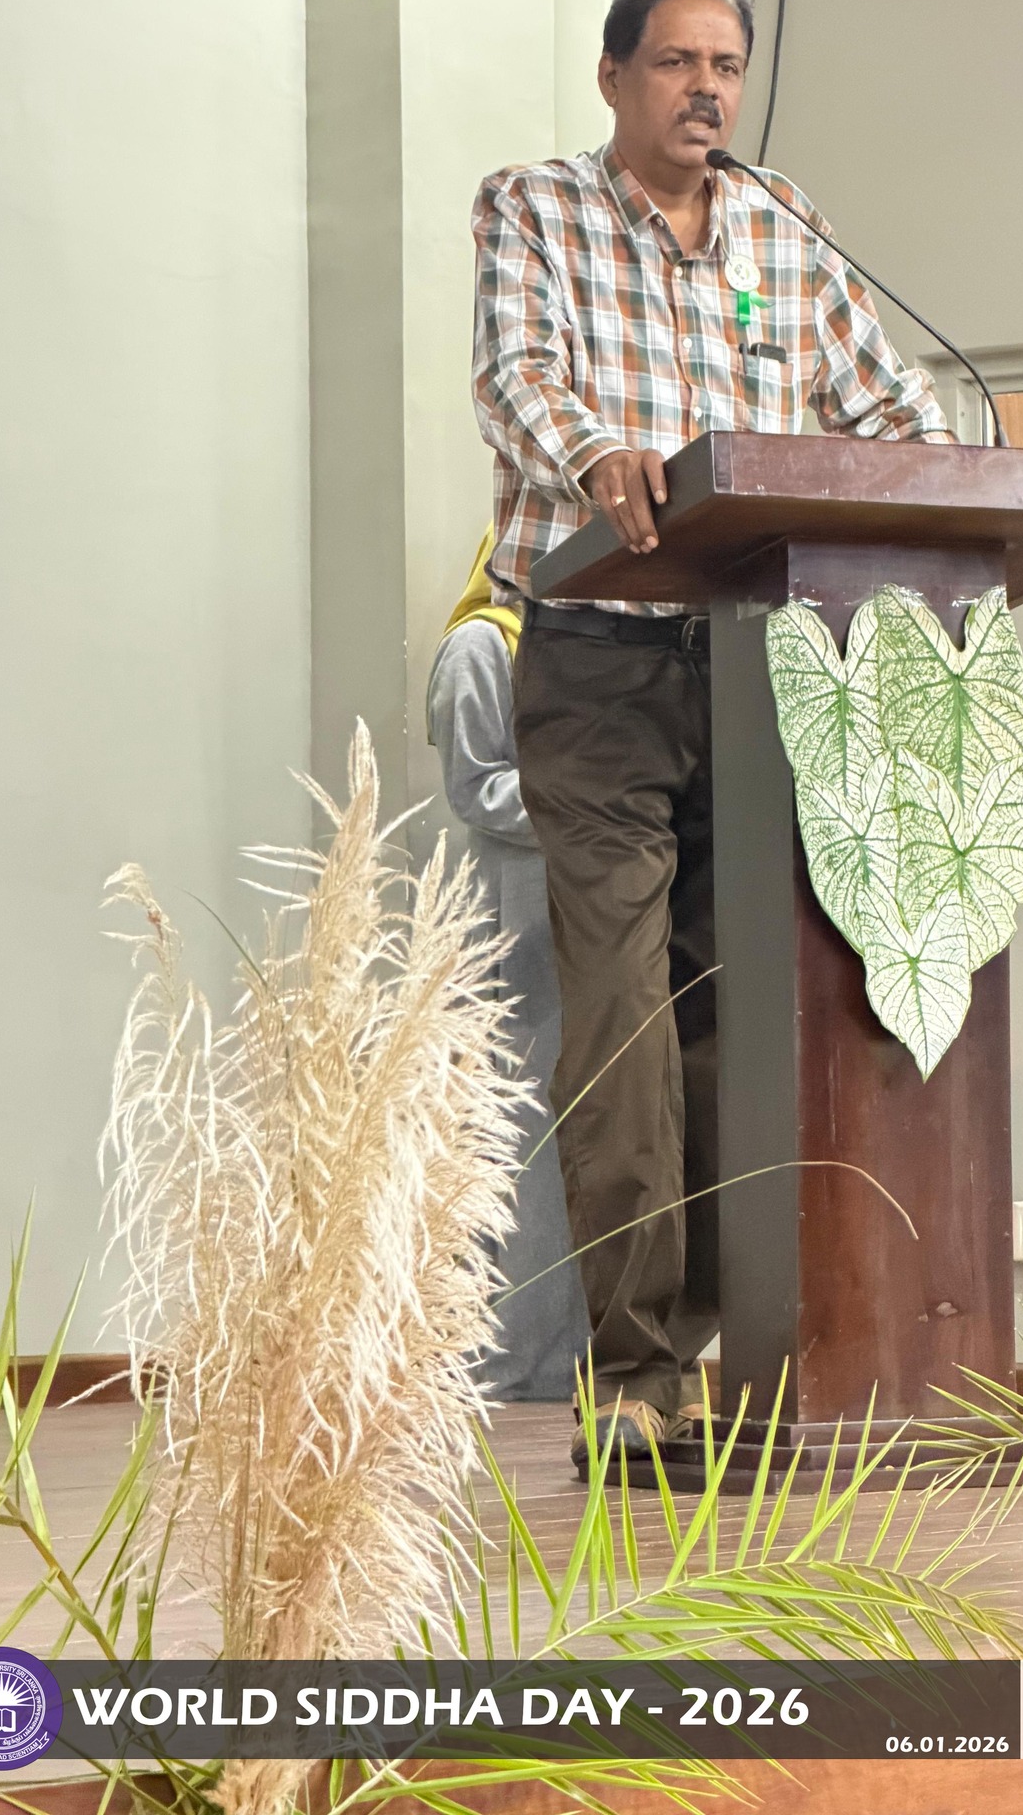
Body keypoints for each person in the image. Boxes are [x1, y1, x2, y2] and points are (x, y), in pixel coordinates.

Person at [472, 0, 954, 1467]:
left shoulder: (782, 223)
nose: (706, 91)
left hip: (757, 663)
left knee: (733, 1015)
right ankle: (632, 1374)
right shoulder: (536, 206)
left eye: (727, 66)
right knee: (622, 1013)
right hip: (599, 658)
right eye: (677, 63)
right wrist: (603, 456)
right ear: (615, 77)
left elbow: (893, 409)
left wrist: (960, 477)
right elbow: (517, 377)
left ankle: (733, 1357)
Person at [426, 530, 590, 1402]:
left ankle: (575, 1357)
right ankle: (515, 1366)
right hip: (516, 919)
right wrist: (595, 810)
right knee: (523, 1142)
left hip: (587, 908)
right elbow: (477, 787)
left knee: (579, 1136)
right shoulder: (479, 646)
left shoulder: (587, 649)